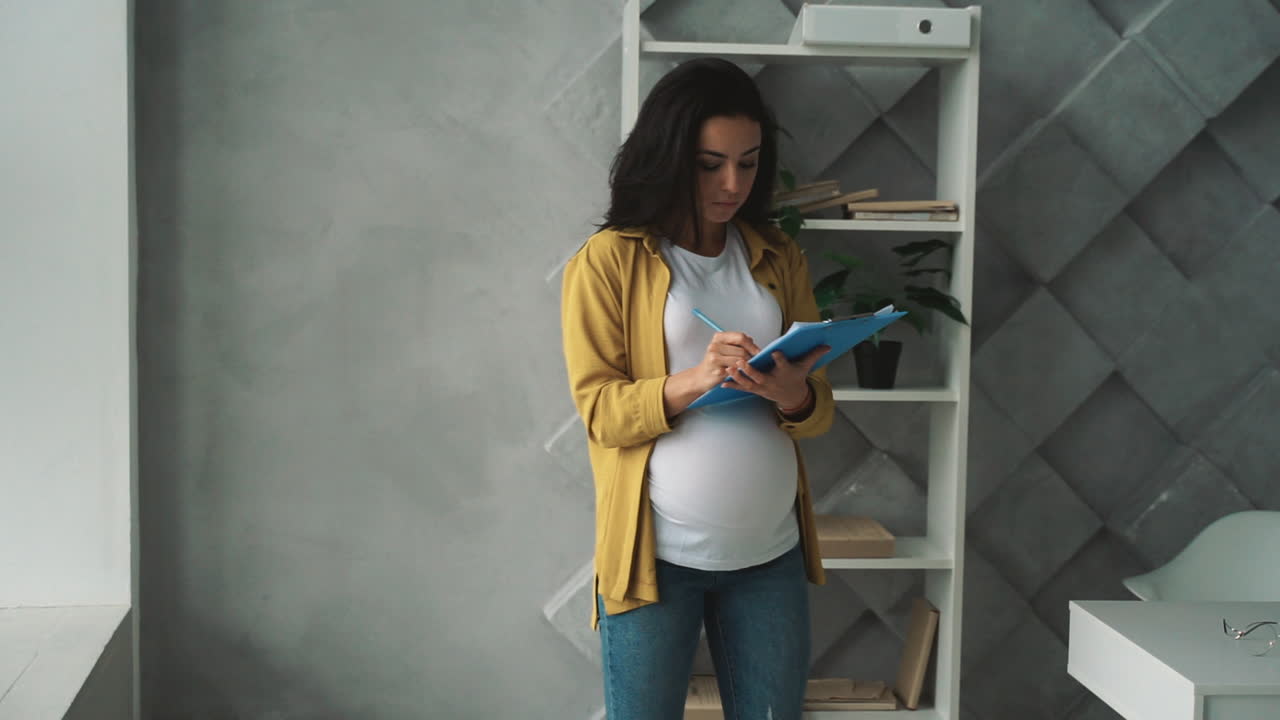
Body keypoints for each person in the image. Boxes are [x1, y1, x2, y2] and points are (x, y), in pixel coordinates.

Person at [560, 57, 835, 720]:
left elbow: (818, 410)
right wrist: (696, 378)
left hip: (770, 554)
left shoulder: (777, 255)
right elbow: (600, 411)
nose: (732, 183)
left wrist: (792, 394)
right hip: (657, 562)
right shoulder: (609, 261)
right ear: (669, 155)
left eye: (748, 161)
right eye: (710, 164)